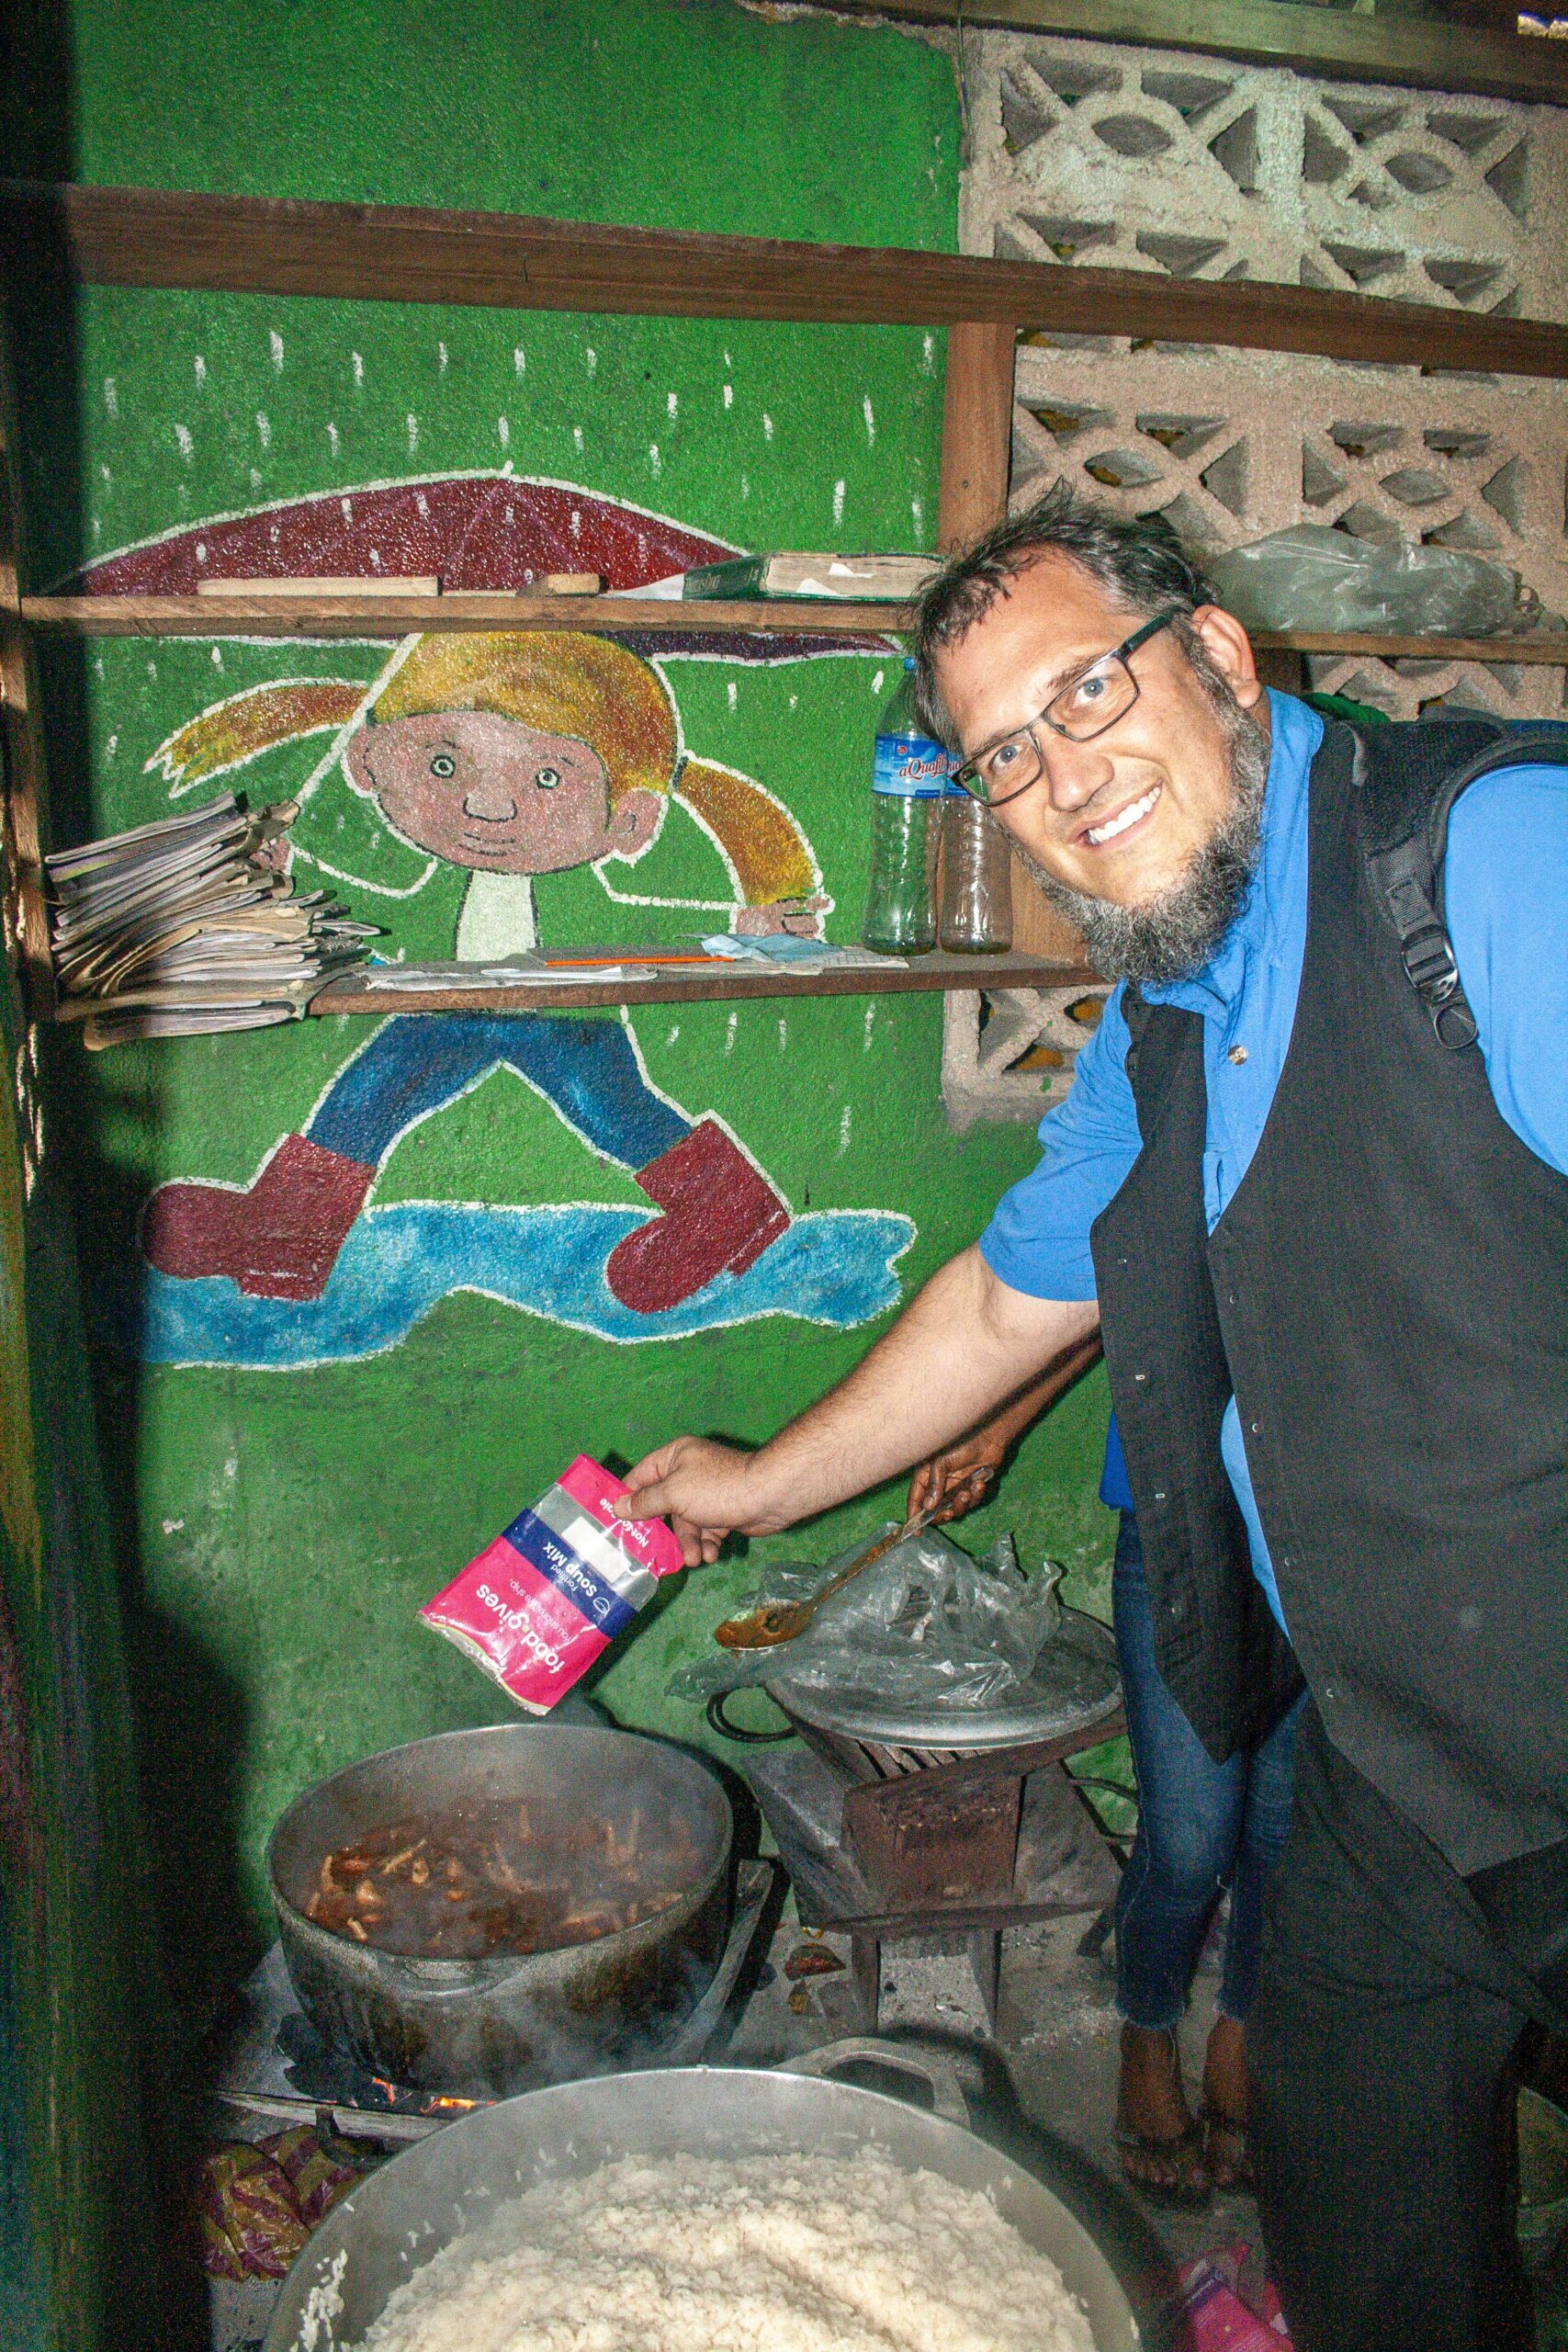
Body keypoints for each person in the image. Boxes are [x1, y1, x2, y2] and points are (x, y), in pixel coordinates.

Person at [617, 484, 1568, 2352]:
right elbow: (1002, 1295)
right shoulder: (1164, 1009)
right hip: (1405, 1751)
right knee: (1351, 2157)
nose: (1054, 775)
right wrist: (758, 1481)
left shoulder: (1492, 866)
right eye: (994, 756)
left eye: (1079, 695)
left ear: (1212, 654)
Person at [139, 632, 824, 1313]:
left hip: (567, 1025)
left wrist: (746, 932)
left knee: (619, 1116)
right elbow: (376, 917)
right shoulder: (435, 895)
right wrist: (287, 881)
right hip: (448, 1015)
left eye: (547, 778)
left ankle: (728, 1211)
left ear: (633, 820)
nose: (486, 808)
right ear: (366, 759)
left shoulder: (582, 902)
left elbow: (652, 931)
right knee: (366, 1097)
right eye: (443, 765)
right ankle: (282, 1241)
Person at [912, 1380, 1302, 2209]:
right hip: (1182, 1520)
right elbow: (1086, 1288)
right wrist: (1000, 1422)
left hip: (1339, 1521)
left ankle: (1240, 2026)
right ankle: (1147, 2029)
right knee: (1191, 1838)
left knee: (1284, 1824)